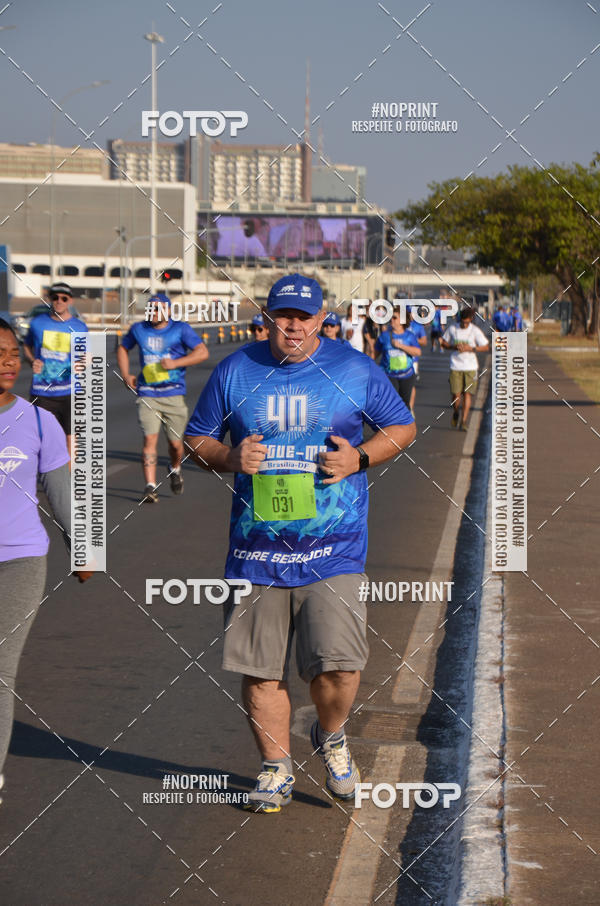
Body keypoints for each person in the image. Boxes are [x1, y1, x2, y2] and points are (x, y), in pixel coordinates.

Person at [184, 273, 415, 813]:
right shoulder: (236, 370)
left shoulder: (353, 369)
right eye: (282, 315)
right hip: (255, 551)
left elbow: (401, 427)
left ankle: (331, 736)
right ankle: (274, 767)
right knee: (261, 670)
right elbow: (197, 437)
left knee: (339, 668)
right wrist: (226, 457)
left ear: (322, 319)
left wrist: (359, 458)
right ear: (267, 317)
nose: (293, 326)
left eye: (304, 317)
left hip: (334, 546)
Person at [0, 318, 92, 800]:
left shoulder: (39, 422)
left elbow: (62, 493)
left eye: (13, 352)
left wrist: (84, 548)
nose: (8, 361)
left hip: (20, 560)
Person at [117, 292, 208, 503]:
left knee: (176, 446)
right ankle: (150, 486)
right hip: (147, 392)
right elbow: (123, 347)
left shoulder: (180, 329)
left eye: (157, 309)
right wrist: (125, 374)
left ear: (168, 311)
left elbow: (202, 352)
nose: (153, 312)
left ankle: (175, 467)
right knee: (149, 439)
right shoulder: (139, 329)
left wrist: (175, 364)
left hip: (173, 393)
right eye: (150, 308)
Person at [23, 282, 87, 458]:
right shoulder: (37, 323)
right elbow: (26, 346)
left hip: (71, 391)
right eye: (55, 297)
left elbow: (86, 356)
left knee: (71, 439)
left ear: (70, 301)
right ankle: (47, 476)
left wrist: (83, 363)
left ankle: (67, 483)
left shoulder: (80, 327)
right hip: (42, 391)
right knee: (42, 440)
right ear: (49, 299)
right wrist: (31, 360)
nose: (59, 301)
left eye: (63, 298)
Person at [441, 306, 489, 430]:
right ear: (460, 319)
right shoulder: (453, 328)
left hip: (471, 367)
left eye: (467, 322)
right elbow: (444, 342)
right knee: (456, 396)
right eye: (463, 321)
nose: (464, 324)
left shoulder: (475, 331)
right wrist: (453, 347)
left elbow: (486, 347)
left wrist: (471, 349)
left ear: (471, 320)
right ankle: (456, 412)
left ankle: (464, 421)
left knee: (468, 394)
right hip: (455, 366)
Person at [375, 311, 421, 412]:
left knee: (405, 405)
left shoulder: (409, 336)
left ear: (402, 320)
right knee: (391, 403)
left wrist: (401, 346)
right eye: (391, 317)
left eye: (395, 318)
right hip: (388, 375)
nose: (391, 320)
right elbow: (374, 354)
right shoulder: (384, 336)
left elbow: (417, 352)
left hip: (406, 375)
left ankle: (406, 425)